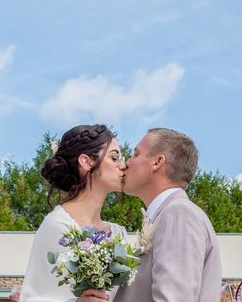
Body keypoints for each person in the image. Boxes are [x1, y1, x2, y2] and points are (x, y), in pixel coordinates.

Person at [20, 124, 126, 302]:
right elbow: (33, 296)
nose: (122, 166)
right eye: (114, 158)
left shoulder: (118, 234)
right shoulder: (57, 226)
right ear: (86, 162)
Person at [114, 128, 221, 302]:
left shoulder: (179, 214)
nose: (126, 162)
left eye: (135, 154)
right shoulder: (165, 215)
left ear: (157, 162)